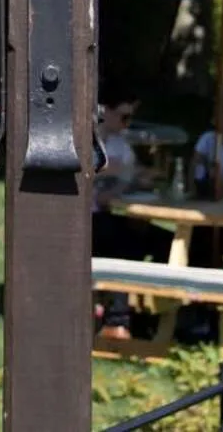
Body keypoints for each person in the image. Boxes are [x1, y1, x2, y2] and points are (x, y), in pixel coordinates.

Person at [91, 97, 160, 340]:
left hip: (109, 213)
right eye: (123, 117)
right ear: (105, 111)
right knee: (127, 242)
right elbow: (95, 172)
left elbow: (130, 174)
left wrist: (145, 177)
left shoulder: (120, 143)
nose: (127, 124)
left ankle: (157, 317)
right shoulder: (85, 140)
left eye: (130, 118)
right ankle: (116, 321)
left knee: (164, 241)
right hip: (85, 220)